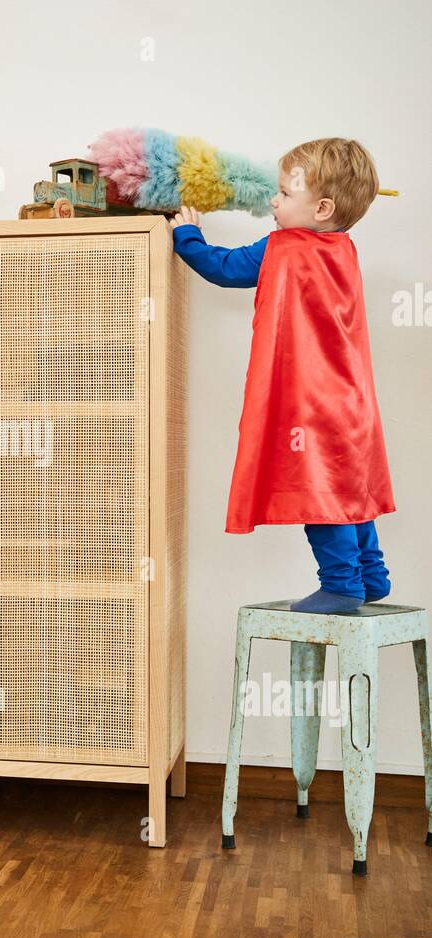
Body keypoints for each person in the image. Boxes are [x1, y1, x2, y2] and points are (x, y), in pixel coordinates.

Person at [171, 137, 394, 613]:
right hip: (352, 399)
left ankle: (341, 583)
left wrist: (187, 235)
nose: (273, 200)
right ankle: (371, 573)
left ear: (322, 207)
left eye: (285, 193)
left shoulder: (285, 247)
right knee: (349, 482)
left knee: (321, 489)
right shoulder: (344, 250)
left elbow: (224, 267)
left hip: (311, 401)